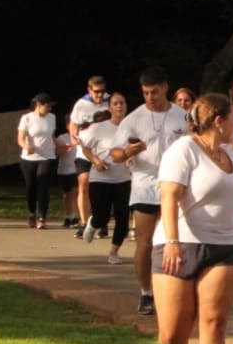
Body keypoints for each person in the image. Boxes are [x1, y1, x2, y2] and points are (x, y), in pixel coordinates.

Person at [147, 92, 233, 344]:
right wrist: (174, 242)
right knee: (173, 332)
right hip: (179, 244)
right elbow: (169, 196)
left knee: (214, 323)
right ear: (219, 121)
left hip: (224, 247)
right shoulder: (184, 150)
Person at [112, 66, 190, 315]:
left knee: (177, 240)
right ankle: (146, 292)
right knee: (145, 242)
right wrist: (126, 152)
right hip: (145, 186)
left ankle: (176, 289)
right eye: (145, 93)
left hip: (176, 186)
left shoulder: (183, 116)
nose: (150, 98)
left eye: (154, 92)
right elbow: (114, 152)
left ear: (165, 88)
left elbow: (197, 144)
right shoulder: (134, 118)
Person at [80, 92, 132, 264]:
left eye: (122, 103)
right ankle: (93, 223)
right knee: (102, 217)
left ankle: (113, 253)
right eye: (115, 103)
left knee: (122, 217)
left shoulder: (132, 127)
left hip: (123, 179)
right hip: (100, 178)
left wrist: (133, 157)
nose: (119, 106)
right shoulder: (99, 128)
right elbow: (85, 147)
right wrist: (95, 160)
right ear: (109, 107)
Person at [69, 76, 109, 238]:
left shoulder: (110, 101)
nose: (99, 95)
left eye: (102, 91)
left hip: (104, 150)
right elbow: (73, 123)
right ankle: (84, 222)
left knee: (102, 189)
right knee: (83, 183)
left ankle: (102, 221)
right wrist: (73, 136)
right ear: (89, 90)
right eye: (96, 92)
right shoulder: (81, 104)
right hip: (85, 150)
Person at [17, 92, 58, 229]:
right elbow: (20, 138)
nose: (49, 109)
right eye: (47, 106)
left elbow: (51, 137)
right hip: (29, 157)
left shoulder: (52, 118)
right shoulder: (27, 118)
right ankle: (31, 213)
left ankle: (42, 216)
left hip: (47, 156)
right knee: (31, 187)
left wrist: (60, 146)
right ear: (39, 105)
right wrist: (26, 146)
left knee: (43, 185)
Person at [54, 117, 79, 228]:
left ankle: (76, 216)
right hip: (64, 170)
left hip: (76, 170)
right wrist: (63, 150)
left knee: (75, 193)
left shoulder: (82, 138)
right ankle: (68, 216)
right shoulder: (62, 138)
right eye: (72, 124)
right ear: (67, 126)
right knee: (66, 194)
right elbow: (56, 152)